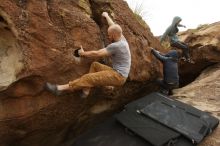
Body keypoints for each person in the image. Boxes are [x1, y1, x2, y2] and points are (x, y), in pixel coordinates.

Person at [45, 12, 131, 98]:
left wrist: (83, 53)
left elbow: (97, 53)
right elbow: (113, 26)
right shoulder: (122, 39)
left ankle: (59, 89)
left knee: (88, 78)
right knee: (95, 65)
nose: (108, 37)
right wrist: (107, 16)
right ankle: (86, 90)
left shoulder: (116, 46)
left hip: (118, 76)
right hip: (118, 72)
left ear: (113, 35)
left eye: (109, 35)